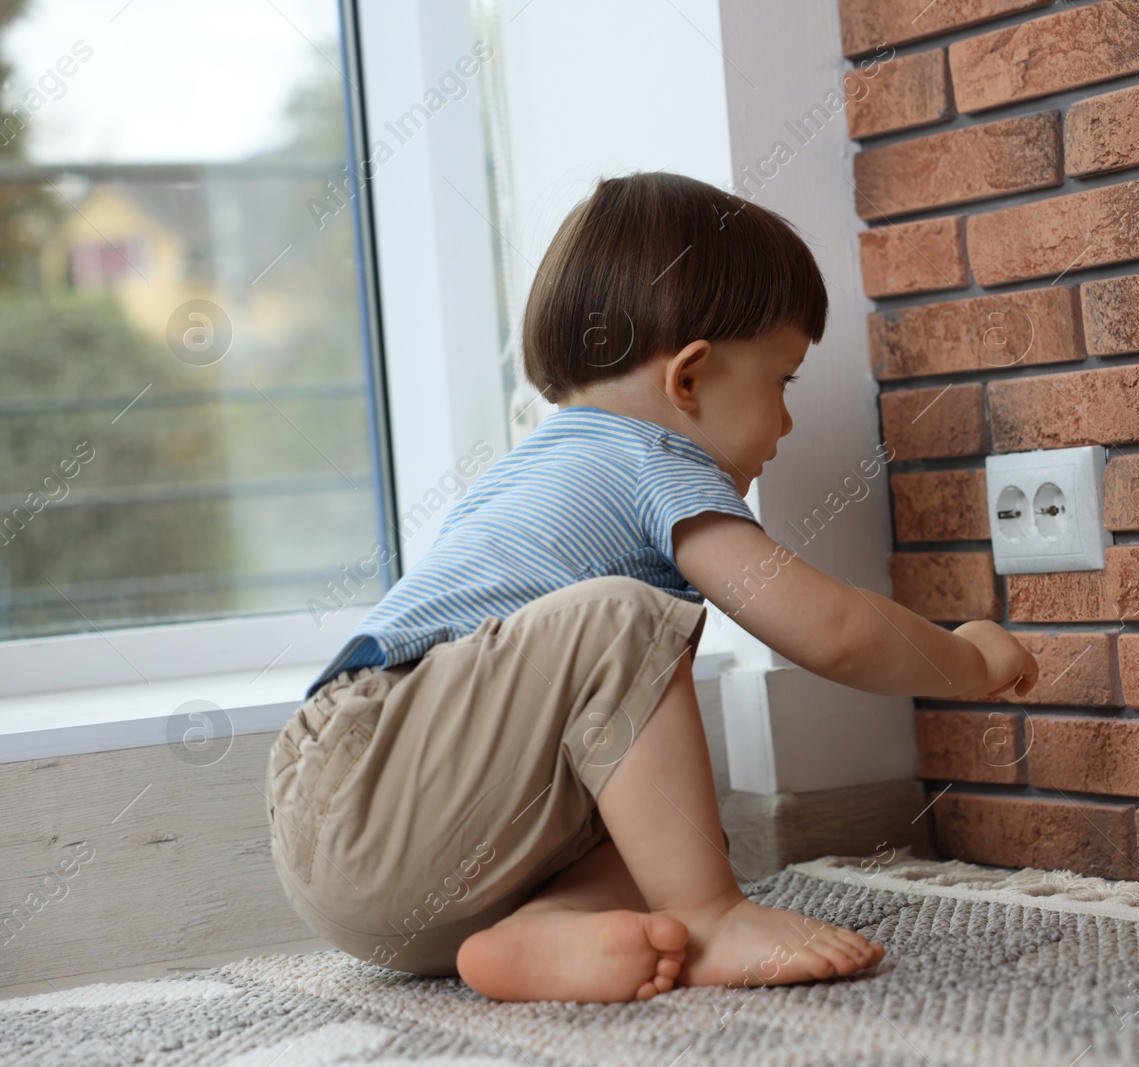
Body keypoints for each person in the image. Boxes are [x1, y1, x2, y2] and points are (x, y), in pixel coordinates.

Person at [264, 170, 1039, 1004]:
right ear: (690, 378)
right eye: (783, 381)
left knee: (649, 822)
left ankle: (535, 931)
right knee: (629, 620)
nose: (784, 423)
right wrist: (967, 660)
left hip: (387, 861)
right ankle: (708, 915)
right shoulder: (649, 457)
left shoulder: (527, 472)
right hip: (364, 772)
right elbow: (829, 626)